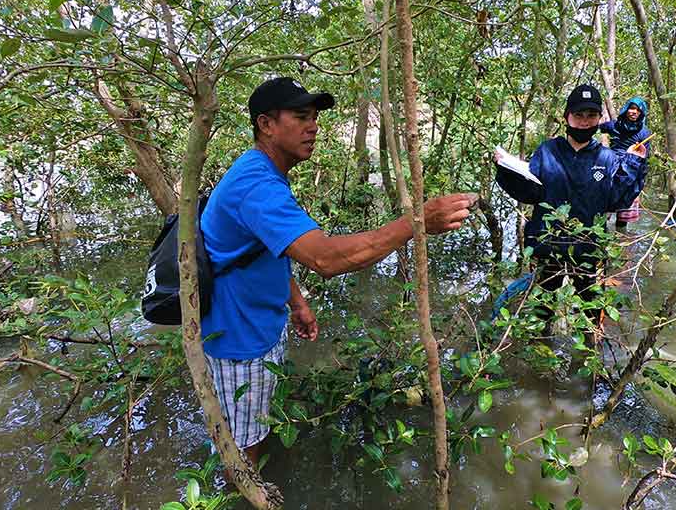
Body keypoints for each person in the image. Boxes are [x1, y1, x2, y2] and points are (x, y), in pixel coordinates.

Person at [200, 76, 475, 470]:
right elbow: (325, 258)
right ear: (266, 124)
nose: (313, 126)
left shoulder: (262, 171)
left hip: (259, 325)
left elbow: (264, 249)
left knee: (256, 428)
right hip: (238, 342)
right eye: (300, 116)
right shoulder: (255, 183)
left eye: (314, 117)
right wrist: (418, 221)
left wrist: (297, 302)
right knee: (240, 448)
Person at [494, 84, 647, 330]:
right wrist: (506, 170)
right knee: (542, 312)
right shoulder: (547, 151)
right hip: (548, 248)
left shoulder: (607, 158)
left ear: (599, 119)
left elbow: (617, 201)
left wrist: (633, 163)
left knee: (590, 315)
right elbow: (531, 193)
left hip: (587, 250)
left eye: (591, 116)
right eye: (579, 115)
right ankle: (540, 362)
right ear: (567, 116)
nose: (585, 122)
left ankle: (588, 361)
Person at [600, 97, 652, 229]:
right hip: (611, 169)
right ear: (626, 109)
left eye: (638, 110)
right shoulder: (614, 125)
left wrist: (640, 180)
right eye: (631, 108)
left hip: (631, 172)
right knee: (603, 212)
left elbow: (644, 157)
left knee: (624, 217)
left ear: (641, 113)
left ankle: (621, 244)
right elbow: (596, 127)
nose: (634, 112)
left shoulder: (644, 132)